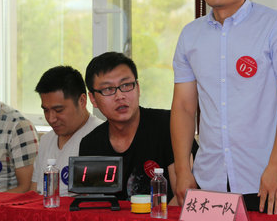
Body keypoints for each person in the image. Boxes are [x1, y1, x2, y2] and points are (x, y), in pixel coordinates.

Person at [171, 0, 277, 215]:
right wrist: (183, 170)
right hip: (209, 180)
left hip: (266, 177)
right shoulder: (190, 35)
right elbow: (183, 107)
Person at [79, 52, 194, 203]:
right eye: (108, 89)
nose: (120, 96)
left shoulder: (170, 126)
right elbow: (93, 205)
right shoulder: (90, 144)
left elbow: (184, 198)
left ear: (138, 88)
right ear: (93, 99)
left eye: (126, 85)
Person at [30, 65, 103, 196]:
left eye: (59, 110)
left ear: (82, 101)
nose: (51, 119)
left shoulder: (101, 137)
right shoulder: (46, 141)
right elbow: (34, 191)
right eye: (45, 110)